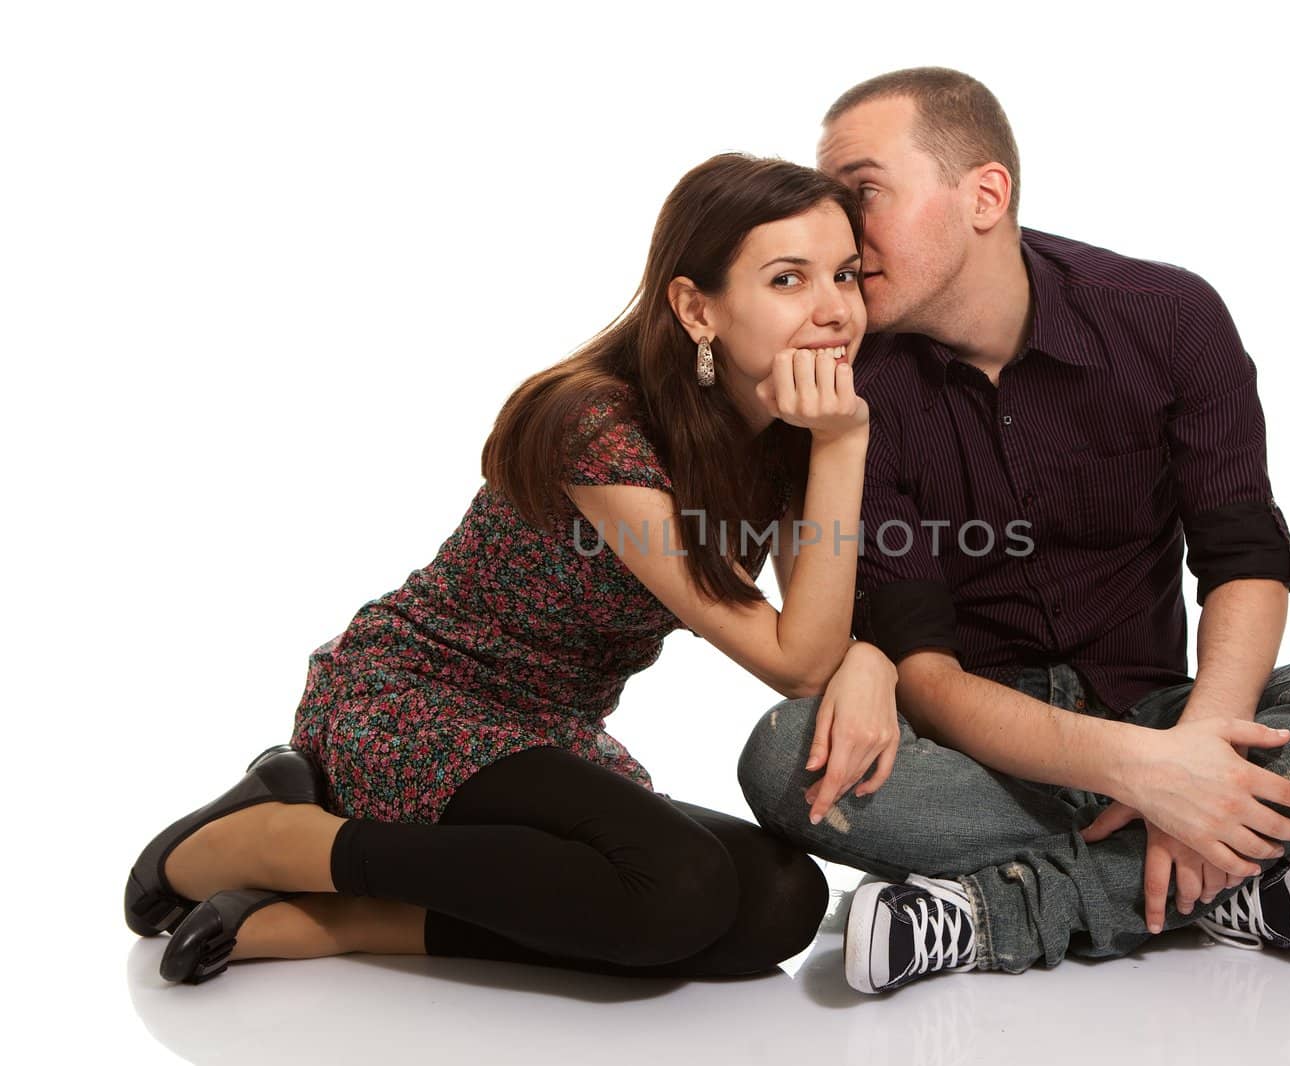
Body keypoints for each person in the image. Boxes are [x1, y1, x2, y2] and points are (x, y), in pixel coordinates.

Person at [736, 68, 1290, 994]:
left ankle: (991, 913)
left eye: (863, 192)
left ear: (984, 194)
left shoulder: (1168, 315)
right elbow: (928, 672)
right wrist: (1145, 777)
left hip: (1168, 713)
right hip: (985, 756)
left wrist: (1201, 754)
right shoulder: (852, 388)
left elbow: (1243, 559)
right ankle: (1213, 879)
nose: (840, 229)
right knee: (785, 756)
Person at [123, 152, 905, 984]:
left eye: (846, 276)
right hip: (415, 699)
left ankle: (345, 917)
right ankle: (277, 841)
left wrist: (869, 639)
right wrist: (844, 441)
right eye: (789, 280)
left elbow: (810, 651)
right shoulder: (595, 421)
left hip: (552, 736)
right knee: (677, 887)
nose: (834, 311)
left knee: (779, 900)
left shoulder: (791, 437)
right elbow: (796, 658)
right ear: (694, 306)